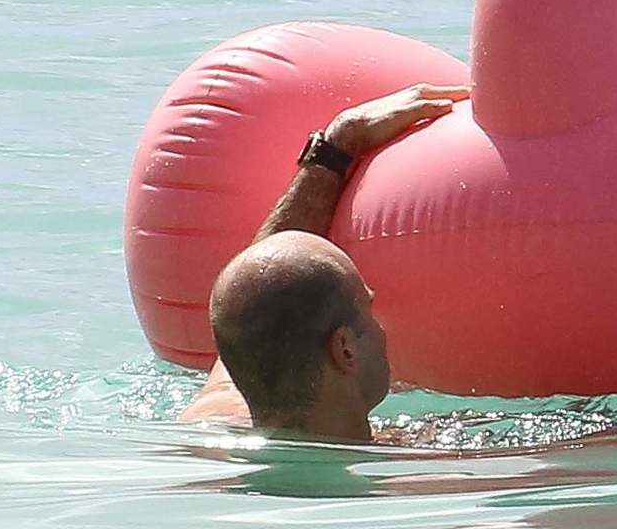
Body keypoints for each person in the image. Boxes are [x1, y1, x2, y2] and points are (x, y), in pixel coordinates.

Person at [176, 82, 470, 440]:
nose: (381, 330)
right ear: (344, 348)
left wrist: (337, 146)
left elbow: (262, 292)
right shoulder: (425, 465)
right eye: (369, 312)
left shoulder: (211, 423)